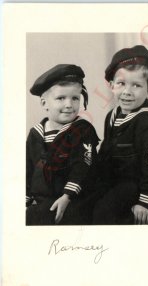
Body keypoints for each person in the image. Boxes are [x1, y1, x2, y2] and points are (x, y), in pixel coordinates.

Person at [90, 45, 148, 225]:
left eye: (136, 85)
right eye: (121, 83)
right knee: (83, 203)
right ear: (111, 85)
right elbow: (106, 152)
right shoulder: (112, 115)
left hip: (133, 186)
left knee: (103, 212)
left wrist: (146, 202)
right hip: (111, 180)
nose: (127, 92)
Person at [26, 64, 99, 225]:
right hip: (41, 200)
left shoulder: (82, 130)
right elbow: (28, 167)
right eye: (61, 98)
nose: (69, 104)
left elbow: (83, 166)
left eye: (75, 98)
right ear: (44, 103)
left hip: (74, 198)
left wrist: (67, 196)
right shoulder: (35, 134)